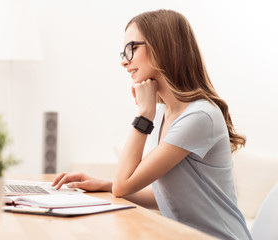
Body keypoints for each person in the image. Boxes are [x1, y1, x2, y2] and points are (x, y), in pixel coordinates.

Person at [52, 9, 252, 240]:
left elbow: (123, 186)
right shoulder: (165, 112)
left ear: (162, 47)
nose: (124, 61)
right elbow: (170, 196)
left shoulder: (200, 116)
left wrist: (144, 114)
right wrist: (105, 184)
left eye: (132, 48)